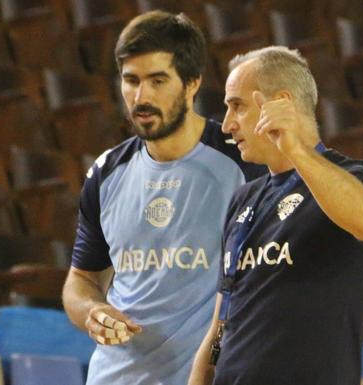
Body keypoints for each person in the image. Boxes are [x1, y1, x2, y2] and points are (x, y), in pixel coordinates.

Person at [62, 11, 265, 385]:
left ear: (192, 83)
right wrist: (92, 311)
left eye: (158, 80)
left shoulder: (245, 164)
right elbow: (80, 280)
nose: (141, 97)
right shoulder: (106, 173)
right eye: (131, 80)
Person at [188, 46, 363, 385]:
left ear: (280, 103)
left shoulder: (353, 176)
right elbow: (222, 325)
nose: (226, 125)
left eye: (237, 106)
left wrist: (296, 150)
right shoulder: (244, 199)